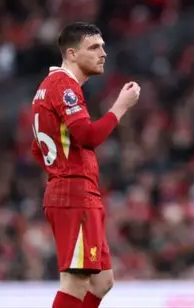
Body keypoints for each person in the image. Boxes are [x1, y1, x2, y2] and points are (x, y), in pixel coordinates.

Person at [31, 23, 140, 308]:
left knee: (102, 281)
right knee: (75, 282)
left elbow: (36, 148)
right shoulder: (63, 86)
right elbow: (87, 136)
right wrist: (121, 106)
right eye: (93, 47)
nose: (103, 53)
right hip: (74, 195)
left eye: (103, 46)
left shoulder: (47, 88)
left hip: (77, 192)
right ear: (72, 54)